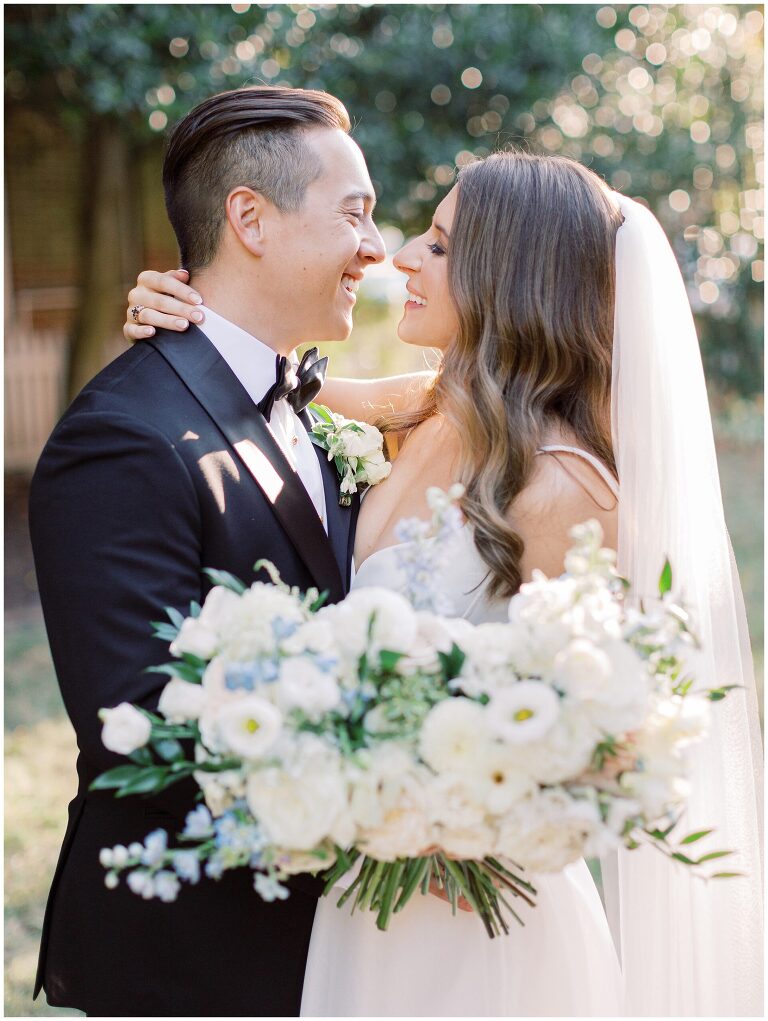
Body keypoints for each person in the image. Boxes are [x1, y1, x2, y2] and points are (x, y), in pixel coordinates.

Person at [128, 149, 762, 1016]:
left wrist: (454, 811)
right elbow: (263, 389)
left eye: (438, 244)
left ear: (507, 275)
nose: (399, 259)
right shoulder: (424, 408)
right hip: (367, 902)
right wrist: (181, 316)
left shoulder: (566, 489)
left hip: (481, 925)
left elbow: (611, 730)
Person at [29, 85, 386, 1017]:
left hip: (330, 947)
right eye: (356, 213)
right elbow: (138, 722)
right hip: (193, 960)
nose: (375, 248)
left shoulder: (303, 397)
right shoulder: (124, 435)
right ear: (249, 218)